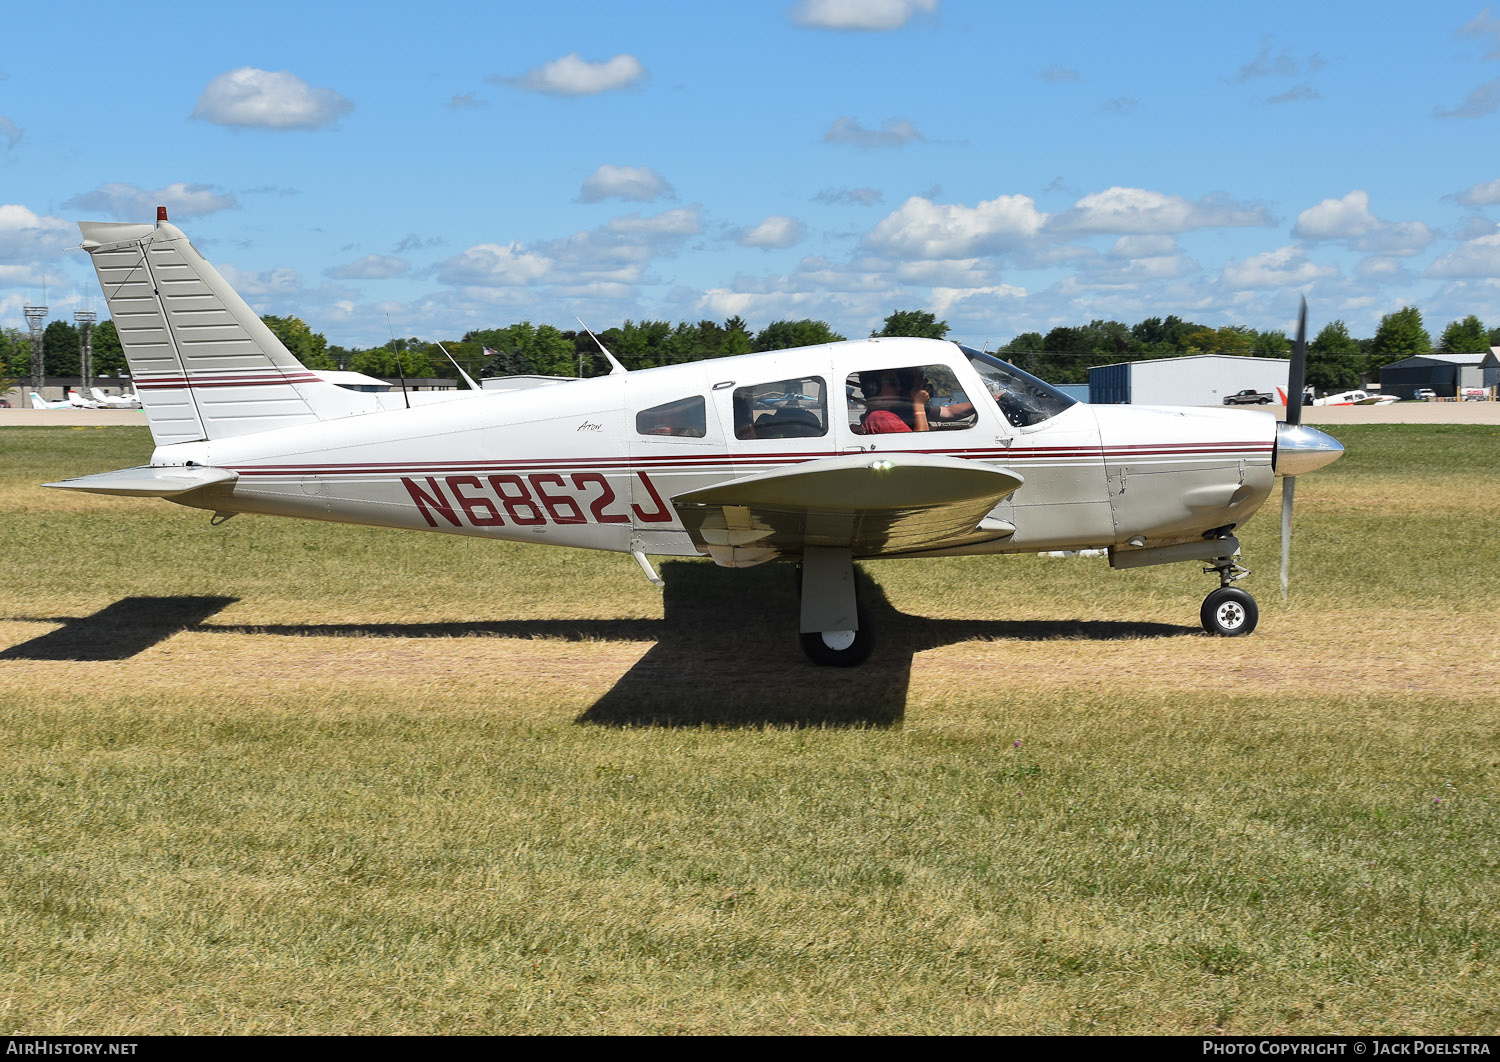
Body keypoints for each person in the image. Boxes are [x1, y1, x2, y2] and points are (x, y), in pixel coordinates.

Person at [858, 368, 930, 433]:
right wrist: (919, 405)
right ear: (872, 388)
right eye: (893, 383)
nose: (899, 388)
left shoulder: (876, 415)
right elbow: (920, 442)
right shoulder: (883, 418)